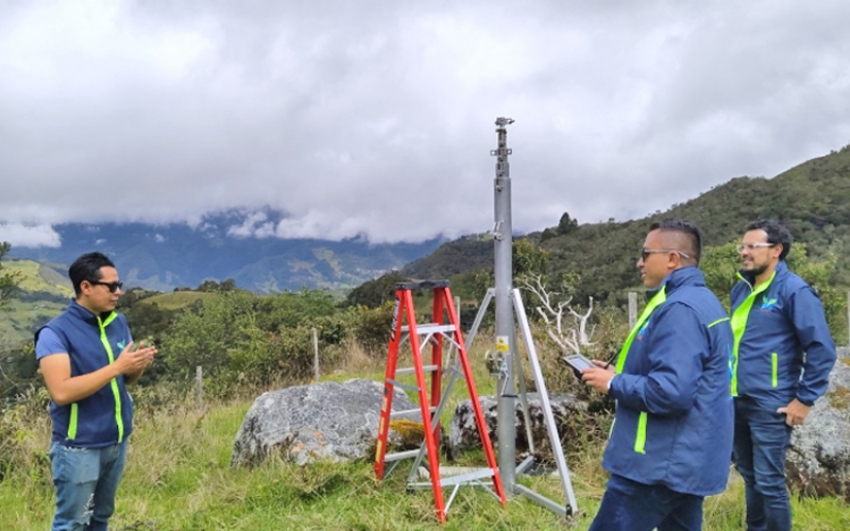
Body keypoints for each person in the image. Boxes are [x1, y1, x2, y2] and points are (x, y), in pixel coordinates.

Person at [581, 218, 734, 531]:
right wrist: (618, 372)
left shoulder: (680, 309)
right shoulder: (702, 302)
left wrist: (612, 382)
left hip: (658, 464)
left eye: (646, 254)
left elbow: (672, 392)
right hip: (687, 459)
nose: (640, 262)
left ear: (672, 259)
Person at [35, 252, 156, 531]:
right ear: (85, 287)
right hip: (78, 447)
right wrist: (117, 367)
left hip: (116, 442)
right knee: (72, 524)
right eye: (110, 286)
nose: (118, 292)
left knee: (100, 519)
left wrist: (137, 365)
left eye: (119, 284)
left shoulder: (117, 322)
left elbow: (126, 381)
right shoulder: (54, 333)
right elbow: (61, 392)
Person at [730, 220, 836, 531]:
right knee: (750, 477)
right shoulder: (741, 288)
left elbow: (821, 349)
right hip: (737, 399)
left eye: (753, 247)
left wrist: (803, 400)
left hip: (771, 403)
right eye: (743, 246)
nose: (745, 252)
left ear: (776, 250)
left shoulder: (794, 291)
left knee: (769, 482)